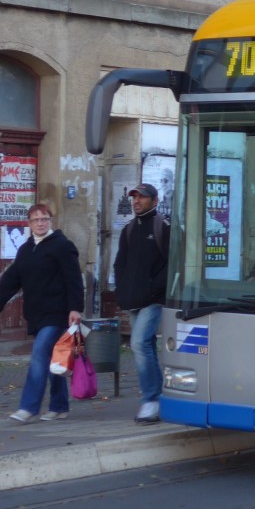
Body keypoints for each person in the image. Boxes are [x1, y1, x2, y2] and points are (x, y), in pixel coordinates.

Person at [0, 203, 83, 423]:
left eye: (44, 219)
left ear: (50, 221)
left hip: (58, 313)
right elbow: (13, 278)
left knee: (39, 355)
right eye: (36, 220)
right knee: (52, 361)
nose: (40, 223)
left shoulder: (62, 246)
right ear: (29, 224)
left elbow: (74, 279)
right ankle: (59, 407)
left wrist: (75, 308)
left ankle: (28, 407)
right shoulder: (26, 249)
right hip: (37, 314)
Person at [114, 182, 169, 424]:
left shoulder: (162, 226)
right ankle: (160, 397)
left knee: (138, 344)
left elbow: (171, 263)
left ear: (154, 201)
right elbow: (120, 264)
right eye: (134, 197)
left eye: (142, 197)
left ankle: (151, 399)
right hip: (134, 299)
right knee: (145, 346)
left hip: (154, 300)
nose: (136, 201)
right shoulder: (128, 229)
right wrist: (122, 291)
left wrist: (153, 289)